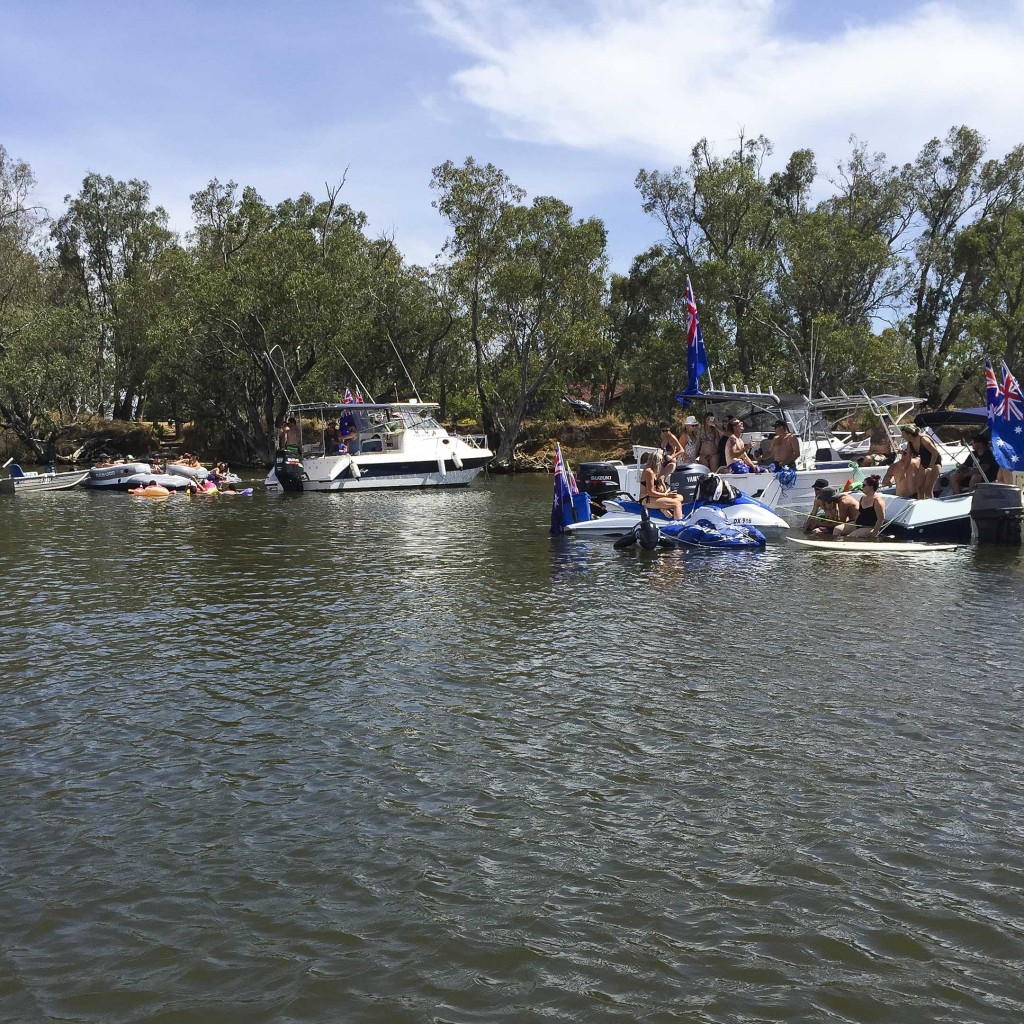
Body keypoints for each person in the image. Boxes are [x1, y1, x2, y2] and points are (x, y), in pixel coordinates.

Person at [834, 475, 886, 539]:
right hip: (858, 524)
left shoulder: (878, 501)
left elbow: (881, 519)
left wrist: (874, 534)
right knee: (837, 529)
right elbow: (859, 512)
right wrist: (854, 523)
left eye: (864, 485)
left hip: (869, 527)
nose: (862, 487)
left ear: (871, 487)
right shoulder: (863, 498)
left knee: (850, 537)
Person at [900, 424, 942, 499]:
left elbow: (935, 453)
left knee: (928, 489)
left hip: (934, 462)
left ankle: (931, 507)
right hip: (924, 462)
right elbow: (908, 459)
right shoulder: (910, 443)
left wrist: (930, 467)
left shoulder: (924, 440)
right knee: (919, 488)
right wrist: (903, 472)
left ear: (909, 434)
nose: (902, 436)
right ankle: (921, 506)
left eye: (903, 434)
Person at [639, 451, 684, 520]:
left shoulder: (655, 471)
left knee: (680, 497)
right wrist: (666, 495)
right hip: (646, 499)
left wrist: (666, 492)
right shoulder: (649, 471)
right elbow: (650, 492)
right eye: (661, 461)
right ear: (658, 461)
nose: (662, 462)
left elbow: (658, 487)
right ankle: (678, 523)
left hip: (654, 497)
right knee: (677, 503)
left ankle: (663, 508)